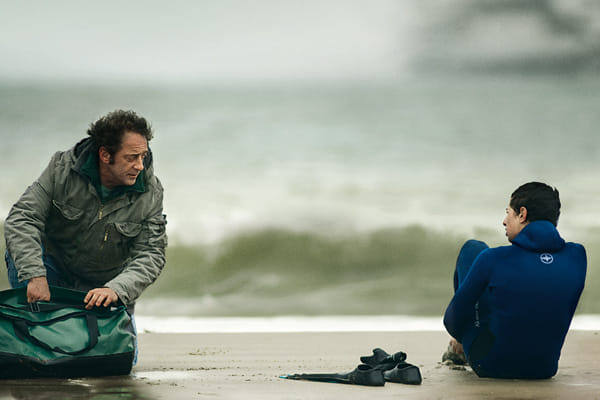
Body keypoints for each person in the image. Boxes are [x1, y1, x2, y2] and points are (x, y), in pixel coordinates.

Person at [4, 109, 167, 314]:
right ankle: (34, 318)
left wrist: (116, 289)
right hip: (51, 270)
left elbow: (151, 253)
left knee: (115, 336)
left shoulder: (151, 192)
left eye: (143, 156)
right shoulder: (61, 169)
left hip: (104, 287)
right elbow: (22, 218)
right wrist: (35, 275)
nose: (140, 166)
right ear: (105, 155)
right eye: (131, 158)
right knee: (21, 259)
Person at [443, 182, 586, 379]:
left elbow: (451, 320)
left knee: (473, 248)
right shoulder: (577, 256)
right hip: (544, 369)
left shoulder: (492, 258)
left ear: (522, 214)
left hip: (490, 364)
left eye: (508, 212)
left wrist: (465, 334)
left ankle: (458, 346)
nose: (504, 221)